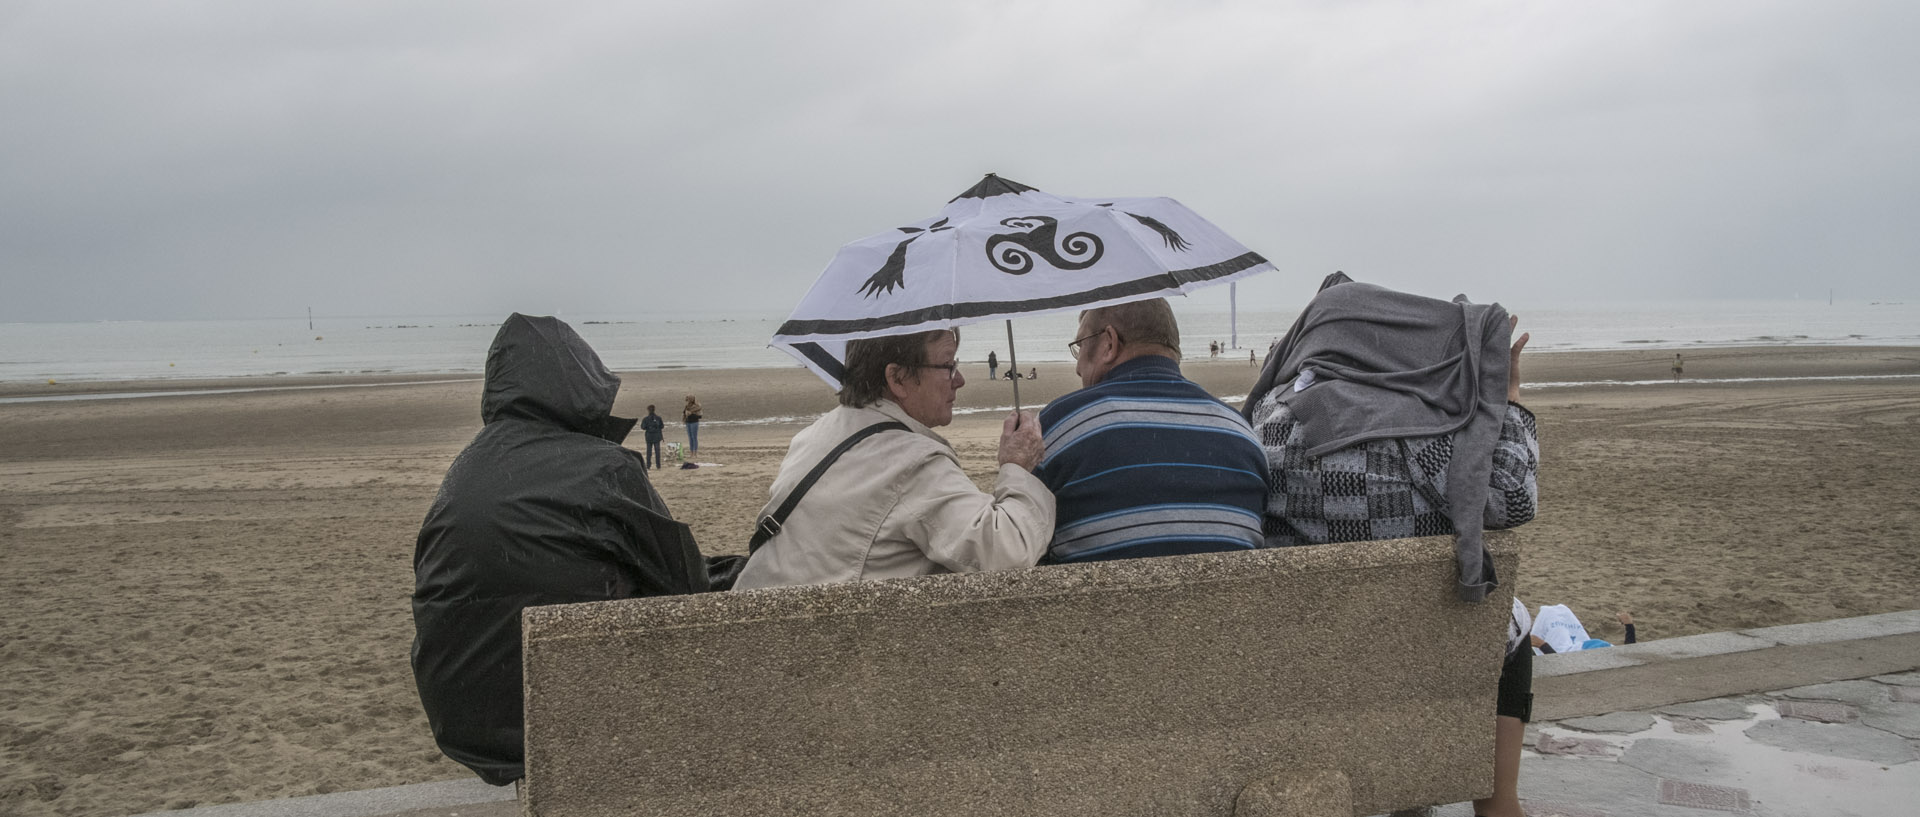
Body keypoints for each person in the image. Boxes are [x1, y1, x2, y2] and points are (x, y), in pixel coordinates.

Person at [1245, 273, 1538, 817]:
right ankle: (1498, 804)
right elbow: (1512, 501)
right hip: (1409, 658)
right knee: (1511, 619)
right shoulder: (1410, 430)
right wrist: (1511, 402)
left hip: (1301, 661)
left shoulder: (1260, 425)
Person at [411, 314, 706, 786]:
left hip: (466, 719)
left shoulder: (464, 469)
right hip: (564, 721)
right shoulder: (605, 467)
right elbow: (686, 586)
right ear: (580, 385)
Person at [733, 328, 1054, 590]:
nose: (960, 380)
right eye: (948, 366)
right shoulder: (911, 462)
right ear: (897, 378)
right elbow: (1008, 552)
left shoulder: (815, 435)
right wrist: (1017, 466)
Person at [1035, 299, 1265, 563]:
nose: (1077, 367)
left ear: (1109, 342)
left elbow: (1021, 544)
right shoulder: (1241, 433)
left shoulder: (1059, 425)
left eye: (1081, 345)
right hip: (1229, 602)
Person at [639, 404, 665, 469]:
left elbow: (643, 427)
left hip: (649, 436)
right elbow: (662, 426)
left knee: (649, 452)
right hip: (657, 436)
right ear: (654, 409)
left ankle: (648, 466)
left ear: (648, 410)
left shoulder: (645, 419)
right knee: (657, 452)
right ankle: (658, 465)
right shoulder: (658, 418)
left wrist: (649, 427)